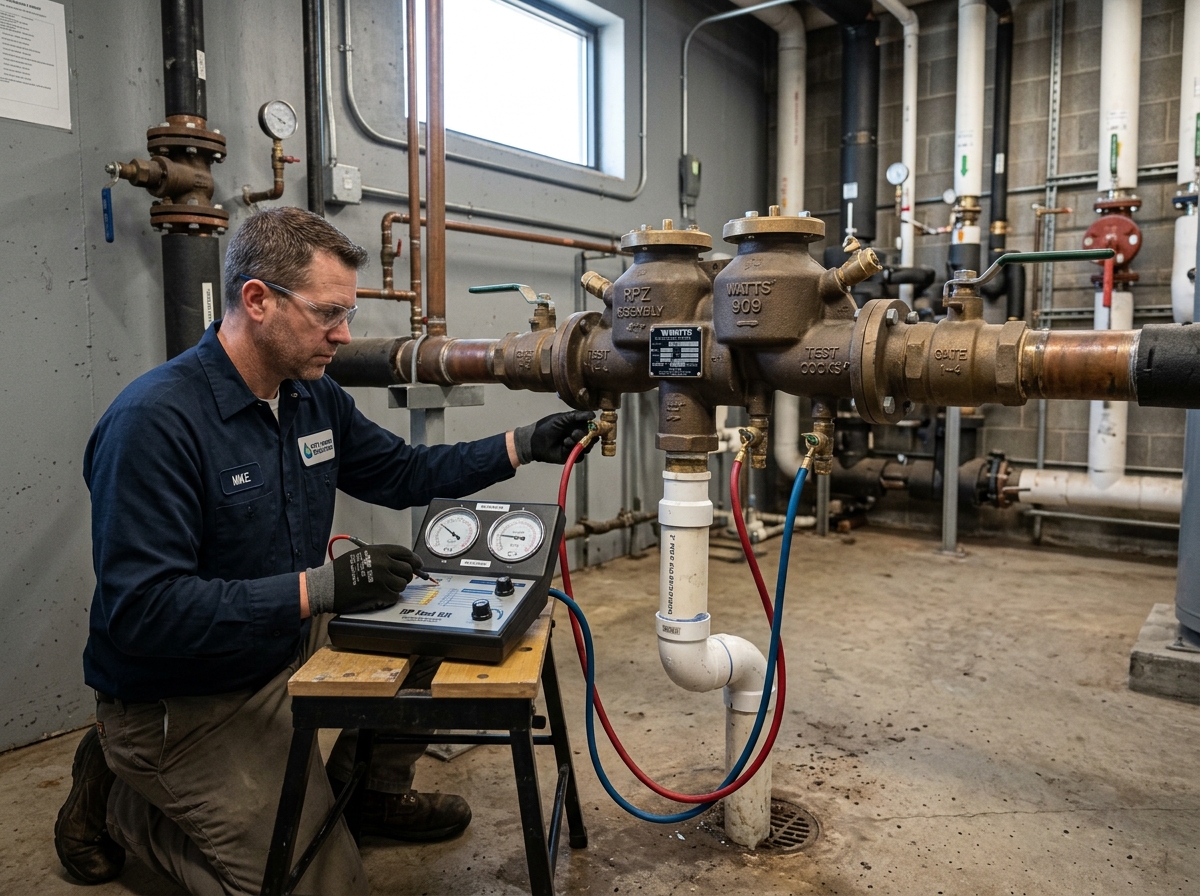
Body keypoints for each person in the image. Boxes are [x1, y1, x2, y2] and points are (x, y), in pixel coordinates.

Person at [53, 206, 595, 894]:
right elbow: (144, 612)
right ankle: (126, 805)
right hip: (185, 701)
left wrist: (520, 445)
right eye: (327, 314)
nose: (344, 336)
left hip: (282, 648)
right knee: (317, 882)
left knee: (440, 629)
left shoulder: (310, 397)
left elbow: (401, 473)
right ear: (257, 301)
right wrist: (318, 590)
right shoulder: (154, 424)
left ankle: (366, 791)